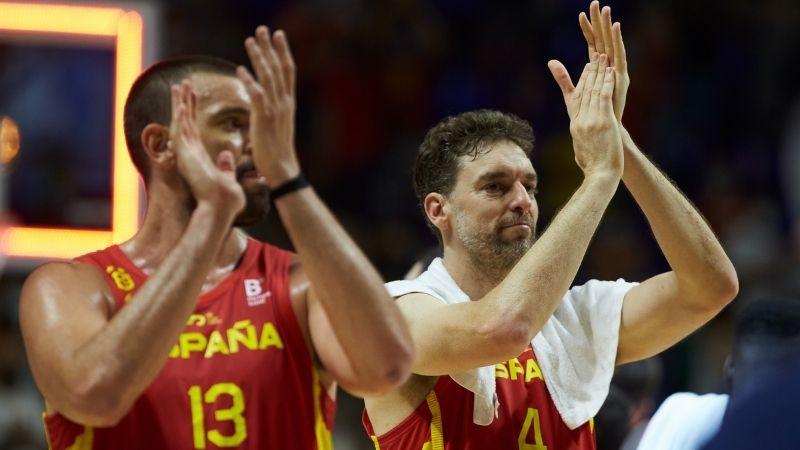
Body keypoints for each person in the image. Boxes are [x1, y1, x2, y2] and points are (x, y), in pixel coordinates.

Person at [362, 2, 738, 449]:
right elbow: (503, 329)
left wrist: (620, 148)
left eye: (530, 185)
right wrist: (600, 177)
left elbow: (711, 287)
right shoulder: (399, 314)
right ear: (438, 210)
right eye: (495, 187)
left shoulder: (575, 317)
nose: (522, 200)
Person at [18, 27, 413, 450]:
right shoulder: (71, 286)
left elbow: (387, 368)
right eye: (233, 123)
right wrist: (211, 218)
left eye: (264, 125)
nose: (258, 143)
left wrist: (287, 176)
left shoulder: (299, 285)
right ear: (160, 144)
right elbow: (95, 397)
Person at [637, 297, 800, 450]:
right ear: (729, 369)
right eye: (756, 383)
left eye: (774, 385)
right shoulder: (683, 415)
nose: (764, 397)